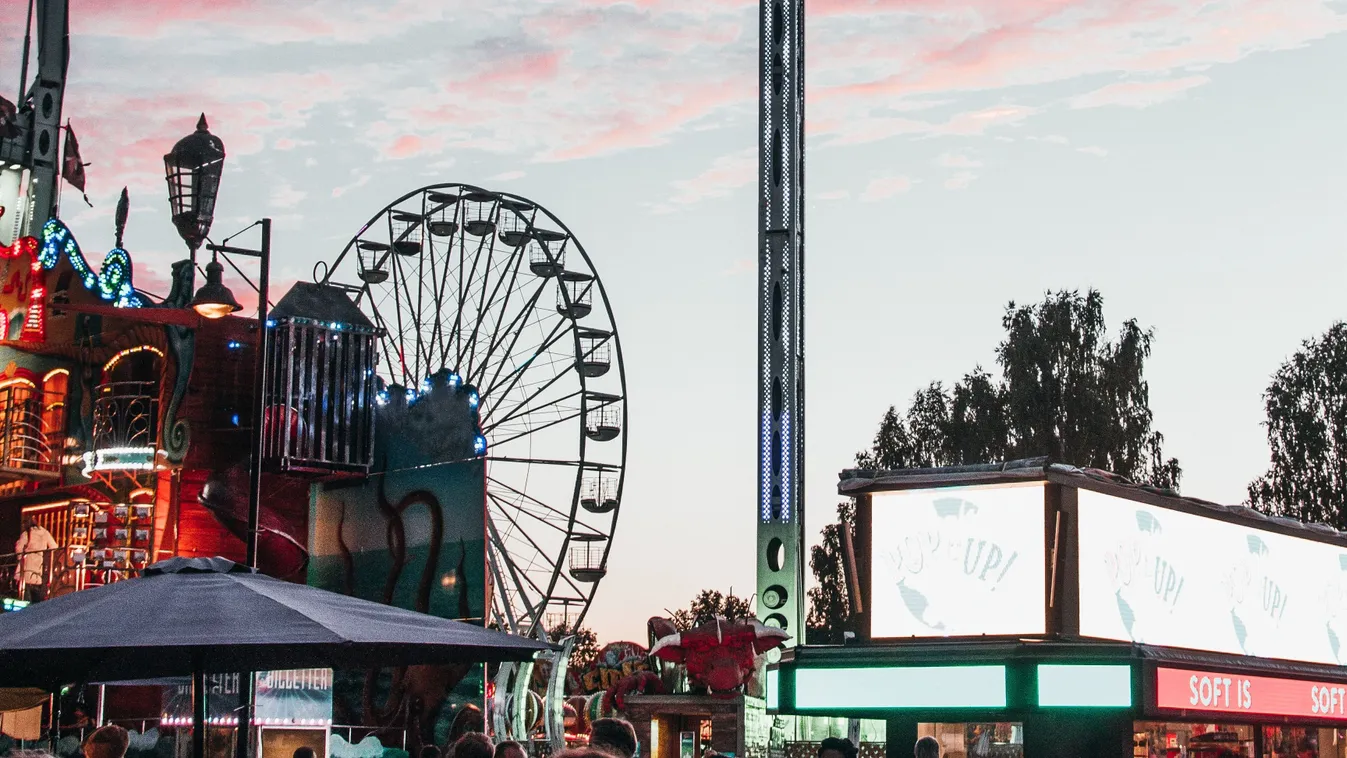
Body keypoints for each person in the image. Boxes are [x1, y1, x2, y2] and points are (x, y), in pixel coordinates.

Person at [14, 517, 58, 603]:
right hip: (38, 568)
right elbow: (54, 546)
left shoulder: (27, 533)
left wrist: (20, 558)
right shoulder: (45, 533)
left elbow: (19, 548)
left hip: (26, 568)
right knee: (36, 598)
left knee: (25, 598)